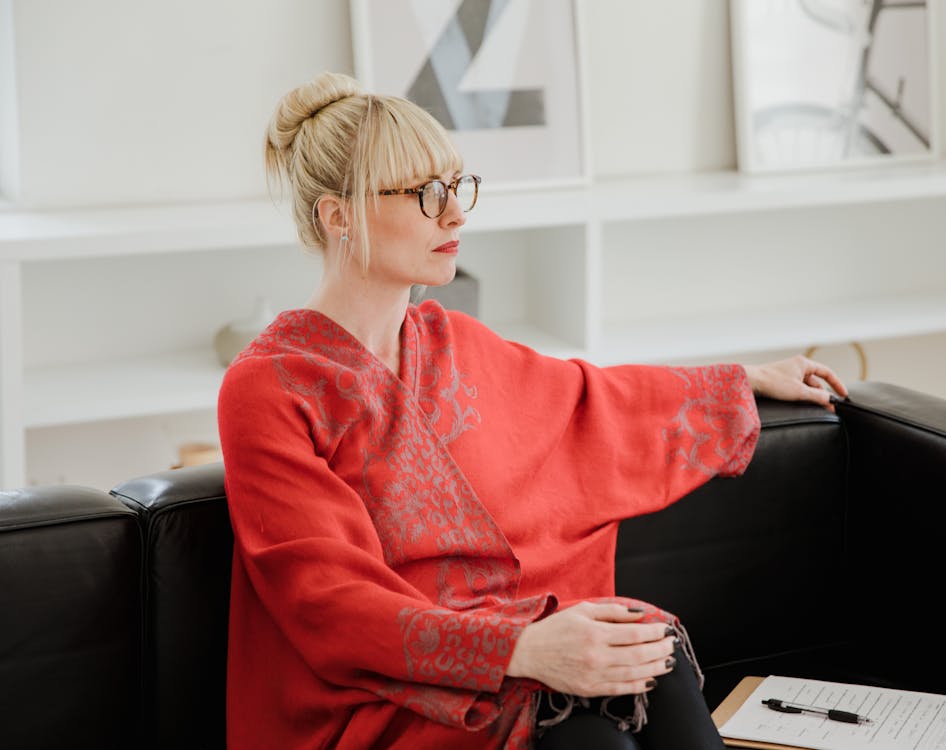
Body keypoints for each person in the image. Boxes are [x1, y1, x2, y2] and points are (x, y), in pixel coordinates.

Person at [218, 71, 848, 750]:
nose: (455, 214)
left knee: (647, 655)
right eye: (425, 195)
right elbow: (327, 602)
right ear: (337, 216)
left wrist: (745, 380)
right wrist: (523, 650)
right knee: (590, 735)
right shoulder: (269, 389)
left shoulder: (453, 343)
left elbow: (593, 404)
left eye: (457, 187)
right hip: (375, 693)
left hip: (508, 650)